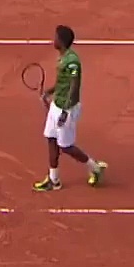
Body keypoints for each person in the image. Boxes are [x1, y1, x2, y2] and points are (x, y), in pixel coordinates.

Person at [32, 25, 107, 192]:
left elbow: (74, 86)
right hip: (57, 105)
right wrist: (49, 92)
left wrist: (65, 111)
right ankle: (54, 180)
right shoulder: (63, 57)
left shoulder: (72, 62)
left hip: (67, 108)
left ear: (61, 41)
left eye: (55, 37)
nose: (53, 40)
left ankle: (95, 167)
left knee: (65, 146)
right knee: (51, 138)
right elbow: (63, 83)